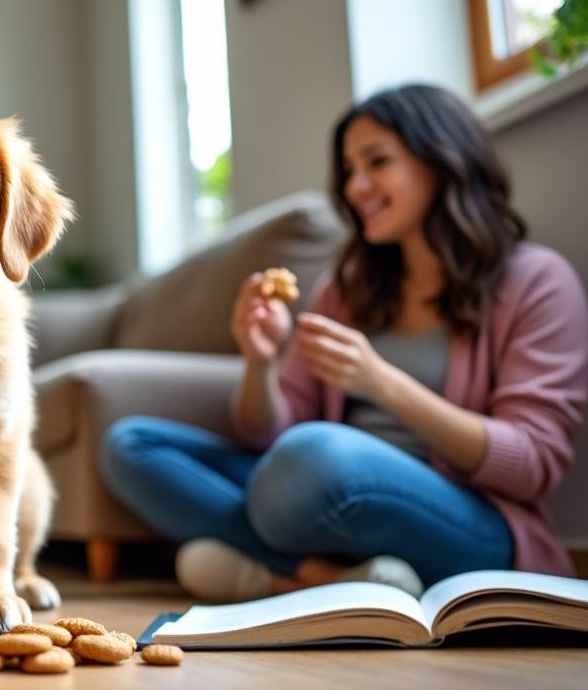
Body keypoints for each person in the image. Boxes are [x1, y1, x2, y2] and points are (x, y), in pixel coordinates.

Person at [100, 84, 587, 602]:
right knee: (131, 444)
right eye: (350, 171)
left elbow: (532, 464)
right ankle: (324, 580)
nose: (356, 187)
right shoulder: (348, 288)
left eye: (377, 162)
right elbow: (267, 437)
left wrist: (382, 383)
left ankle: (268, 577)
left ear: (443, 159)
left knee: (311, 458)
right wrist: (260, 364)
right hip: (320, 494)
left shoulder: (537, 281)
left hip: (464, 518)